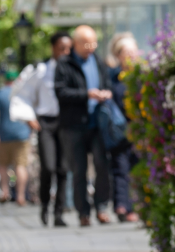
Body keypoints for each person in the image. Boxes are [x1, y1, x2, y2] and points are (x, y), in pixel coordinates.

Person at [54, 25, 114, 227]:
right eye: (87, 43)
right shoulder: (64, 64)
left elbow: (107, 84)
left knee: (102, 165)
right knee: (79, 170)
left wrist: (105, 93)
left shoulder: (98, 61)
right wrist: (86, 94)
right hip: (73, 126)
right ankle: (83, 213)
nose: (91, 47)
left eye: (94, 43)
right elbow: (61, 92)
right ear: (75, 44)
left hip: (97, 123)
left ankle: (102, 207)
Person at [13, 31, 73, 227]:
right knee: (48, 166)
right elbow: (22, 94)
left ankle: (59, 213)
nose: (65, 52)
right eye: (61, 48)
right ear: (53, 48)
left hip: (66, 122)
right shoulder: (41, 70)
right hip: (46, 122)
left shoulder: (72, 69)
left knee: (63, 168)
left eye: (68, 49)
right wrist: (30, 117)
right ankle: (45, 205)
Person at [103, 33, 139, 223]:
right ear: (118, 55)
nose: (131, 55)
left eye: (133, 51)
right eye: (127, 52)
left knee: (136, 167)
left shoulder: (141, 75)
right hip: (118, 130)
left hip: (139, 129)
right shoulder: (112, 77)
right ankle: (121, 206)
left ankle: (134, 206)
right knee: (120, 168)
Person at [0, 70, 34, 206]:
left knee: (3, 165)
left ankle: (5, 192)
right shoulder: (23, 93)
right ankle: (21, 196)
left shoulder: (0, 93)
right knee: (21, 165)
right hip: (22, 135)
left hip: (4, 135)